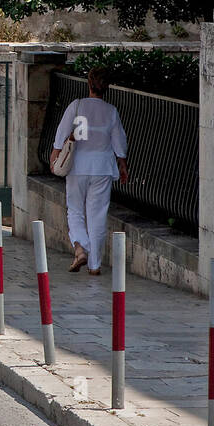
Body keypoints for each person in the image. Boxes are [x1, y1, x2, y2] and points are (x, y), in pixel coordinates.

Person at [51, 67, 129, 274]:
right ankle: (94, 265)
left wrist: (55, 154)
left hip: (77, 166)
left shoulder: (76, 106)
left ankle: (81, 248)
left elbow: (61, 133)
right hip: (102, 167)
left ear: (89, 83)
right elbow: (119, 143)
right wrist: (122, 165)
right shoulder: (111, 111)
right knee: (97, 215)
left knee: (75, 210)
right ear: (107, 87)